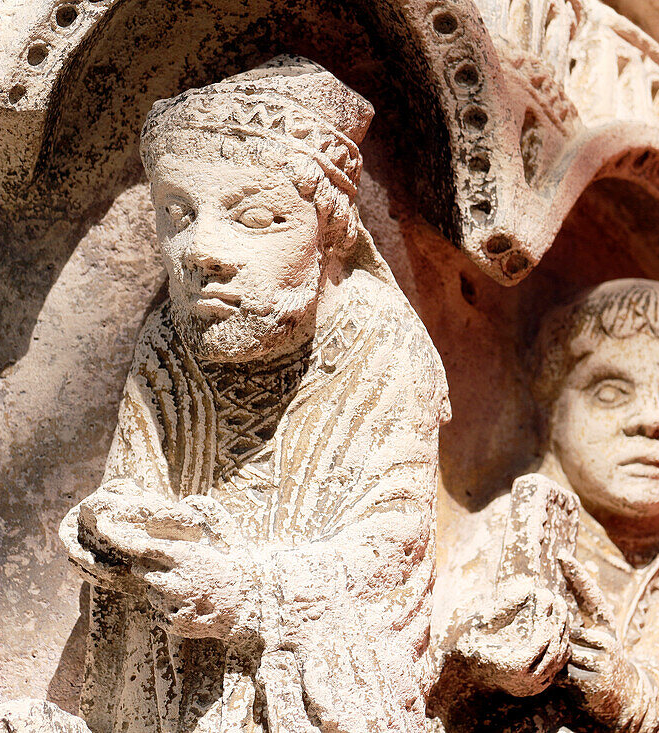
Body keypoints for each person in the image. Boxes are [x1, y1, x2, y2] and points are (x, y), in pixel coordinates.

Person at [59, 56, 450, 733]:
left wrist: (246, 591)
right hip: (173, 673)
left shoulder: (380, 341)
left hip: (305, 685)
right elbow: (133, 483)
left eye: (258, 217)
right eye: (178, 213)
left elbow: (395, 541)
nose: (201, 249)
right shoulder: (171, 339)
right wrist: (109, 529)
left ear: (331, 232)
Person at [436, 279, 659, 732]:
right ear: (552, 403)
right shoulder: (513, 530)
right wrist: (491, 658)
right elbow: (429, 664)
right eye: (611, 390)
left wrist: (620, 688)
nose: (654, 419)